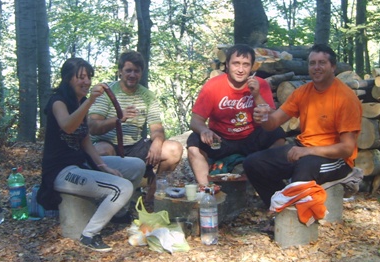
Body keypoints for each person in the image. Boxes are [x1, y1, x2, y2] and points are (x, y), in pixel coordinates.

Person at [37, 57, 146, 252]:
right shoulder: (58, 102)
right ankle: (89, 234)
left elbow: (84, 138)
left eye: (88, 77)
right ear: (68, 78)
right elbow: (68, 126)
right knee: (122, 187)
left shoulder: (79, 101)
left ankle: (118, 213)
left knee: (137, 166)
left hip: (81, 162)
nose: (86, 82)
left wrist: (103, 166)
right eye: (81, 77)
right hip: (61, 171)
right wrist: (91, 101)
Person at [243, 43, 362, 208]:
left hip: (336, 159)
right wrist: (261, 111)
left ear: (333, 67)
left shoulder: (345, 98)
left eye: (322, 63)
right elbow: (272, 123)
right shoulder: (302, 92)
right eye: (312, 63)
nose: (316, 67)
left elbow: (346, 149)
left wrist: (308, 151)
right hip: (304, 149)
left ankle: (290, 211)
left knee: (304, 169)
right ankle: (281, 209)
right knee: (253, 163)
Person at [187, 44, 286, 187]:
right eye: (236, 64)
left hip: (251, 137)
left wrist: (256, 95)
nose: (240, 69)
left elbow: (271, 117)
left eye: (246, 65)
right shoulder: (212, 86)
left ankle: (265, 176)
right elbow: (195, 120)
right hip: (221, 139)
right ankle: (206, 188)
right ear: (227, 65)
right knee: (194, 141)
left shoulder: (261, 84)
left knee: (277, 133)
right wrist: (204, 130)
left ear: (252, 67)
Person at [88, 51, 182, 188]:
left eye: (136, 71)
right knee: (102, 150)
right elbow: (92, 127)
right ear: (120, 72)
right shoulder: (107, 92)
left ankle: (152, 190)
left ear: (141, 73)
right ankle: (109, 190)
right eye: (128, 70)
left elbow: (157, 128)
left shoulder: (147, 96)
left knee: (173, 149)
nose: (132, 75)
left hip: (135, 146)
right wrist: (118, 119)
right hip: (109, 144)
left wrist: (157, 142)